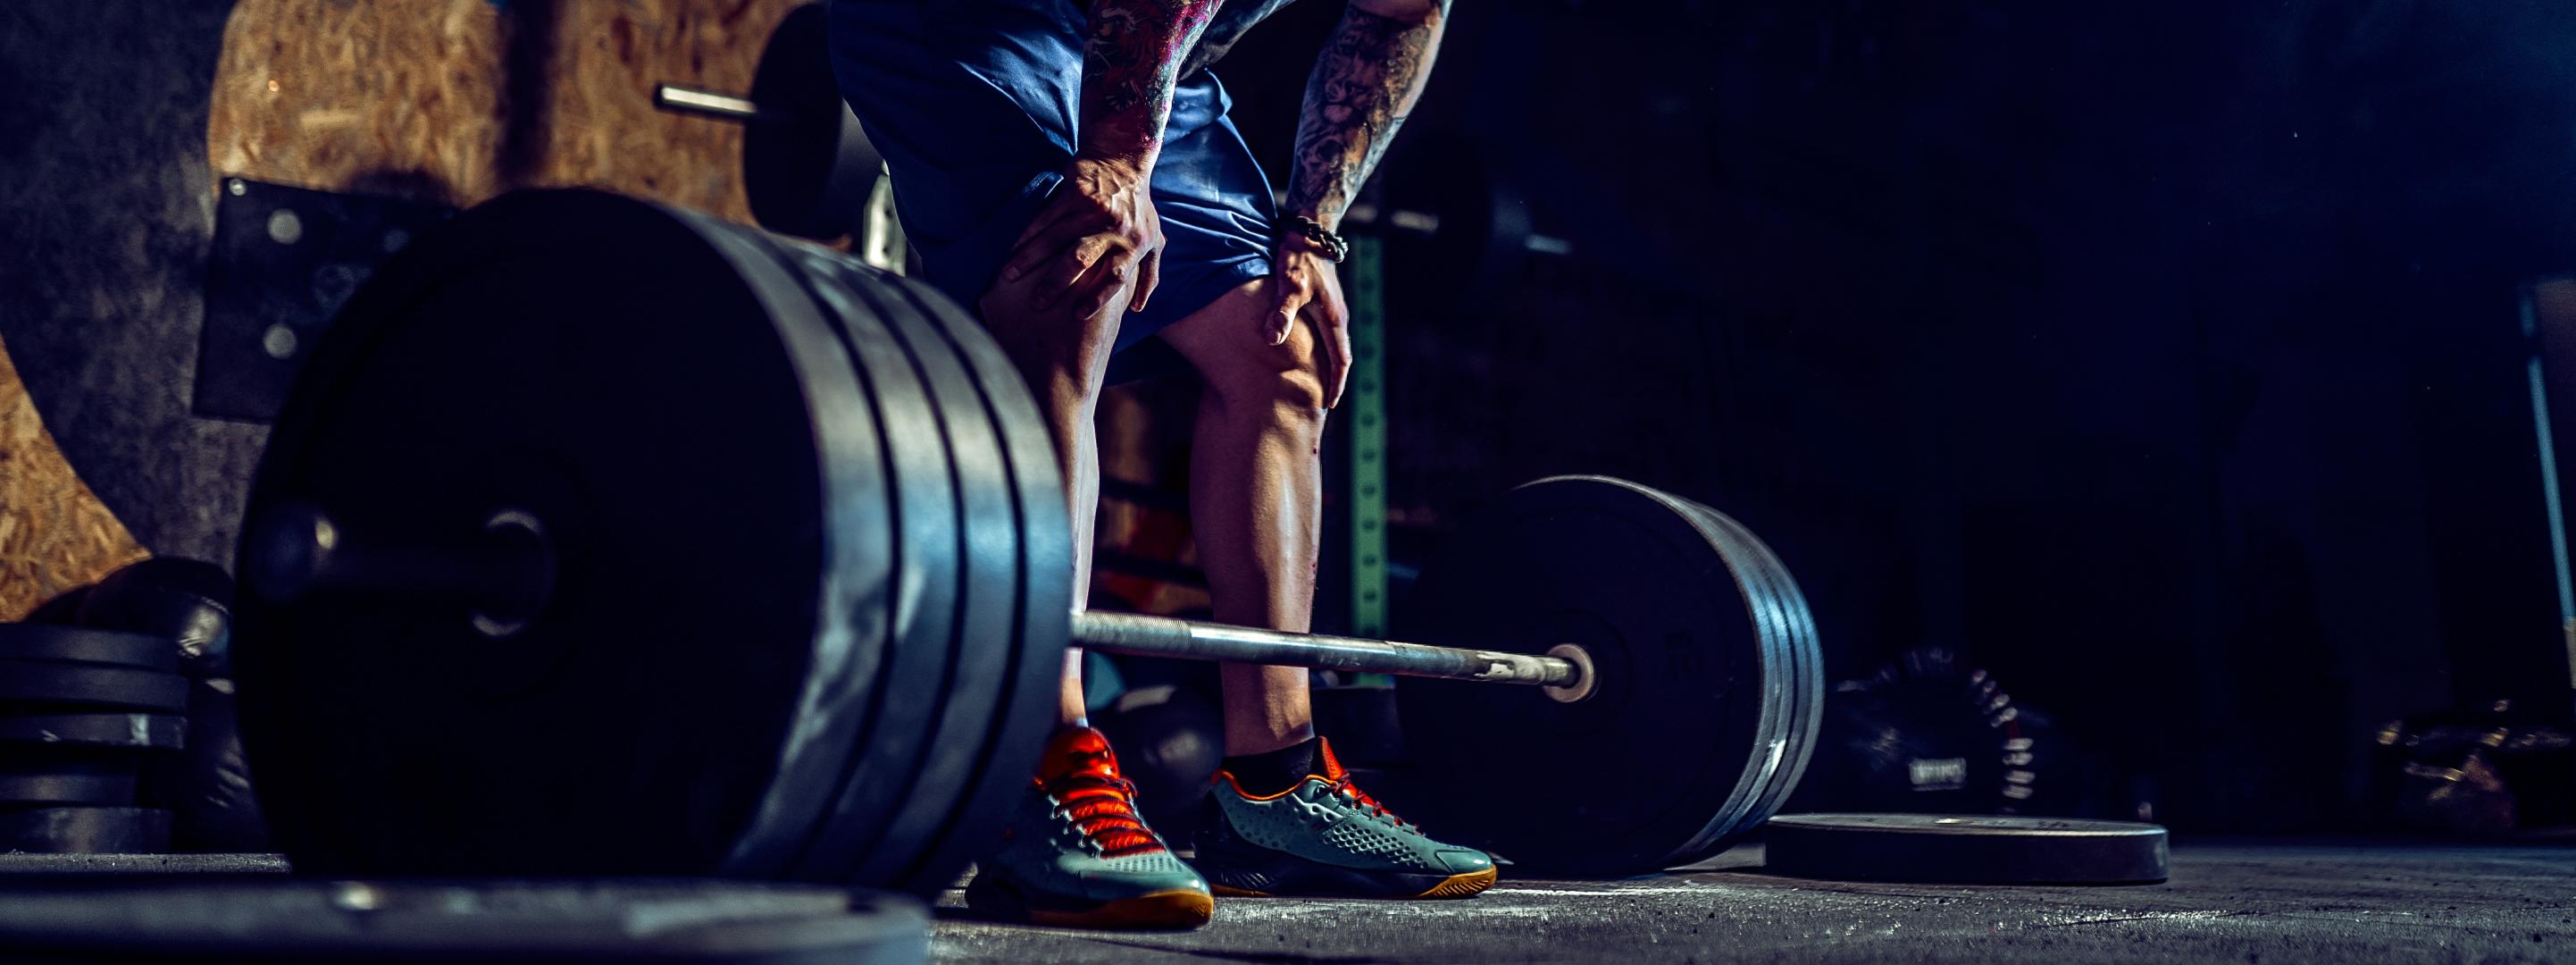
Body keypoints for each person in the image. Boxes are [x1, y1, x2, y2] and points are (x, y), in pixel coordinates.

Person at [829, 0, 1490, 929]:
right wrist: (1114, 161)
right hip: (967, 24)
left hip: (1153, 59)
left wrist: (1310, 228)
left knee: (1284, 347)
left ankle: (1274, 787)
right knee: (1080, 274)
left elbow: (1397, 16)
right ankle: (1036, 761)